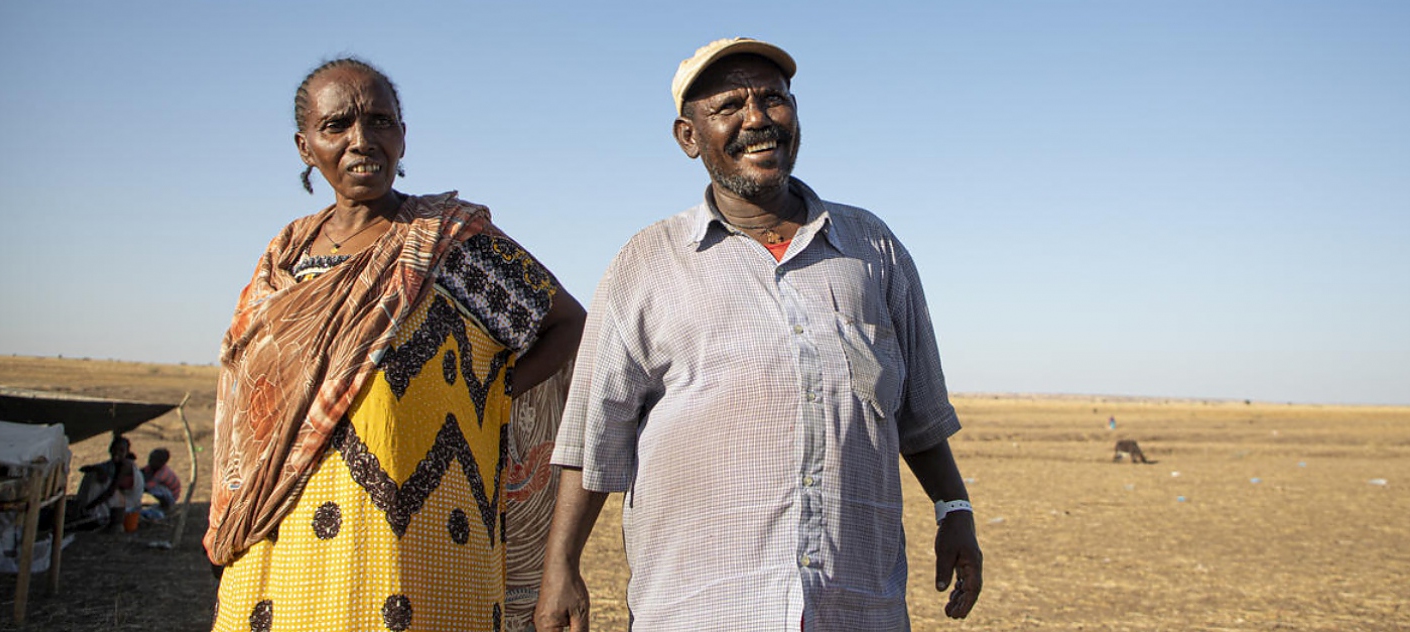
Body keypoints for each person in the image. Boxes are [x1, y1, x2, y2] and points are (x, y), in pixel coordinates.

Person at [536, 38, 983, 631]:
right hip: (701, 606)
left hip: (856, 604)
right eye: (730, 106)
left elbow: (916, 411)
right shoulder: (646, 264)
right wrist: (560, 566)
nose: (757, 119)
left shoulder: (872, 248)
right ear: (688, 137)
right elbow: (595, 432)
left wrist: (954, 508)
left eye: (774, 99)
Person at [206, 57, 585, 632]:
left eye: (380, 121)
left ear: (402, 137)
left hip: (420, 549)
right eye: (337, 126)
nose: (362, 140)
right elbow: (243, 401)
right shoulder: (283, 259)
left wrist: (492, 393)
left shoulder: (448, 244)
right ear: (305, 146)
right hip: (279, 544)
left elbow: (567, 323)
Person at [69, 435, 143, 531]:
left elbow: (110, 492)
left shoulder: (125, 465)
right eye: (114, 449)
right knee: (92, 475)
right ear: (110, 450)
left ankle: (90, 513)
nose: (117, 453)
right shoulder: (113, 464)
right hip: (121, 498)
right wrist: (97, 469)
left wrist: (89, 506)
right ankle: (85, 510)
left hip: (129, 504)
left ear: (127, 452)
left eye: (121, 451)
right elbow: (83, 469)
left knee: (94, 479)